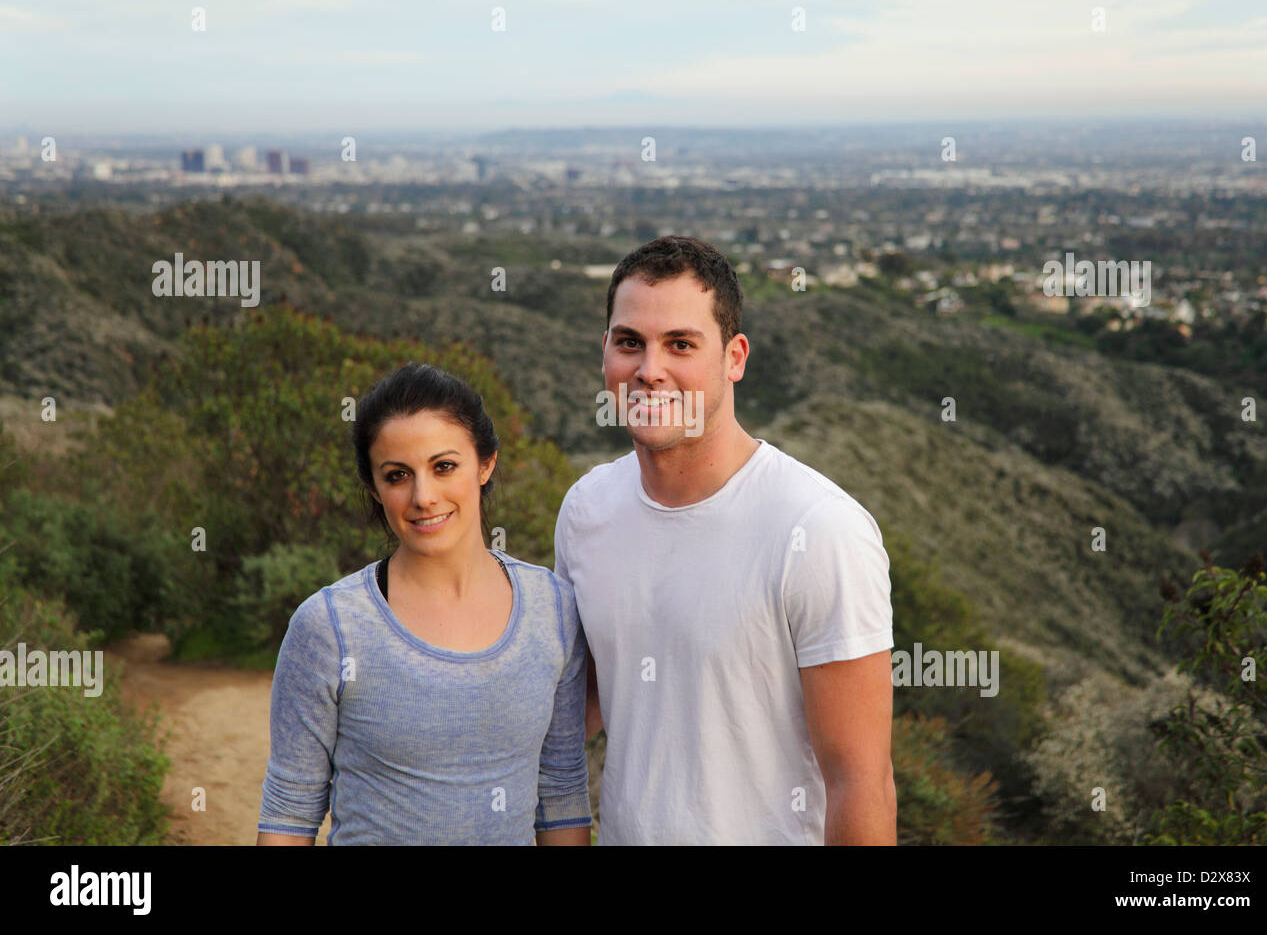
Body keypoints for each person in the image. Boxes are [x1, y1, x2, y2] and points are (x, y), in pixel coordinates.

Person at [555, 235, 896, 845]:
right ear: (604, 351)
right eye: (629, 342)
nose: (650, 370)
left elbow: (861, 781)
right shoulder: (587, 510)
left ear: (734, 357)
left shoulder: (818, 530)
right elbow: (580, 704)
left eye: (680, 344)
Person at [257, 363, 591, 845]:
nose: (423, 496)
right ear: (374, 487)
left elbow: (560, 792)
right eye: (398, 475)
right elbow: (290, 811)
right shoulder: (329, 627)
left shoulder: (554, 611)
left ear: (486, 464)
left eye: (444, 466)